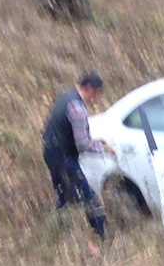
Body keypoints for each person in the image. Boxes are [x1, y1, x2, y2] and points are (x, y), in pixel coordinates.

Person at [43, 73, 116, 253]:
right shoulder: (78, 109)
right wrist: (104, 149)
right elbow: (82, 144)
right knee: (87, 196)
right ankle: (105, 236)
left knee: (66, 197)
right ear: (90, 88)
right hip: (62, 157)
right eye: (97, 93)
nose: (97, 98)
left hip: (52, 151)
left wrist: (97, 141)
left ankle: (55, 236)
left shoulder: (65, 97)